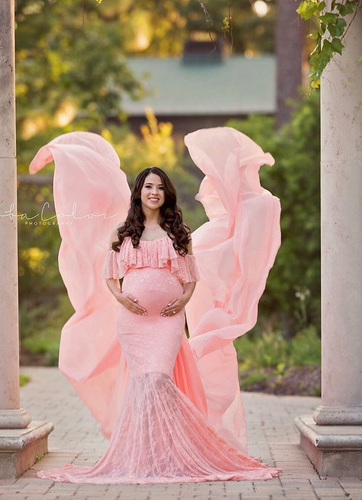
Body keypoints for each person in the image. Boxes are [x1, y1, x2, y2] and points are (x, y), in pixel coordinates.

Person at [29, 128, 282, 483]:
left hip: (166, 321)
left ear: (167, 194)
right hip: (132, 323)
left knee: (160, 379)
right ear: (139, 192)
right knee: (141, 385)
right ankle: (146, 454)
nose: (154, 192)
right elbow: (110, 273)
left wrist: (183, 299)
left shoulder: (176, 231)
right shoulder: (126, 232)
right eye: (148, 186)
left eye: (160, 187)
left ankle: (184, 449)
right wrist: (121, 299)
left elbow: (190, 274)